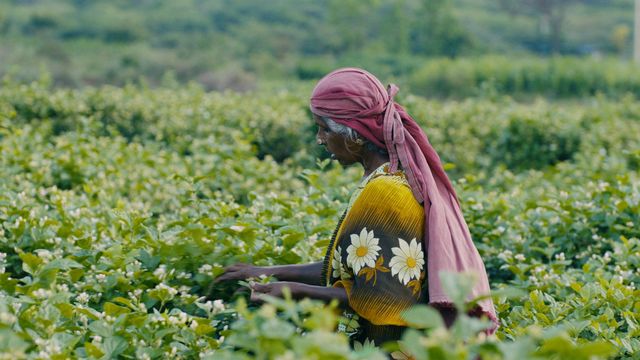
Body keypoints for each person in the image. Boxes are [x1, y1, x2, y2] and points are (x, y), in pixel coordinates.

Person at [215, 68, 498, 346]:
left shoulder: (386, 191)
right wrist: (268, 271)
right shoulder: (382, 178)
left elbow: (382, 295)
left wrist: (293, 291)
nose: (319, 138)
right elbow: (354, 268)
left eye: (324, 128)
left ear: (355, 133)